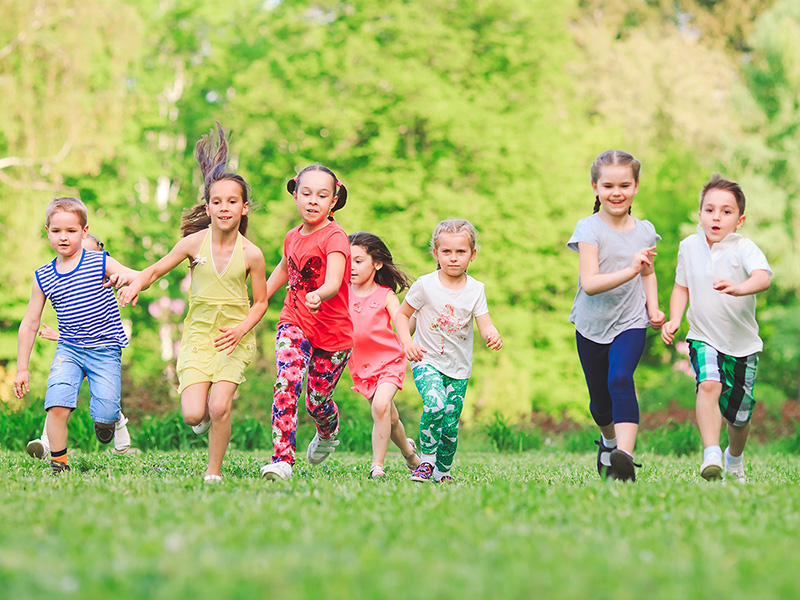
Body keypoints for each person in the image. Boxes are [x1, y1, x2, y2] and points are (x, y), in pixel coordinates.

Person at [119, 123, 268, 483]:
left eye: (232, 202)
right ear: (207, 206)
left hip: (233, 338)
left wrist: (240, 330)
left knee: (219, 407)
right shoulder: (192, 244)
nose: (224, 208)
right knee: (192, 415)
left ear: (244, 208)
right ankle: (206, 423)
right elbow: (155, 269)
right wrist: (137, 282)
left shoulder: (252, 254)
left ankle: (212, 472)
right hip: (198, 337)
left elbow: (261, 302)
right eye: (217, 202)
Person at [661, 174, 771, 483]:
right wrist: (674, 318)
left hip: (742, 344)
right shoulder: (688, 246)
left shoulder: (744, 248)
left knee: (739, 416)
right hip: (702, 335)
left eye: (726, 211)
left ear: (740, 220)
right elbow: (681, 287)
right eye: (709, 210)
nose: (716, 217)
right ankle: (711, 453)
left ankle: (733, 458)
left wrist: (739, 288)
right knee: (708, 384)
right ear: (700, 214)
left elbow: (763, 277)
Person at [14, 198, 136, 474]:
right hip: (68, 349)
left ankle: (106, 421)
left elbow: (135, 276)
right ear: (47, 231)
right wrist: (22, 368)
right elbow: (30, 323)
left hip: (105, 350)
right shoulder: (44, 276)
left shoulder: (100, 261)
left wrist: (127, 283)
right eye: (56, 231)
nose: (63, 237)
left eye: (71, 231)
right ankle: (59, 462)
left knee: (105, 411)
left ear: (84, 231)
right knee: (57, 404)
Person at [568, 149, 665, 482]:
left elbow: (648, 274)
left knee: (621, 379)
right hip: (591, 325)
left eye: (624, 185)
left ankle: (624, 455)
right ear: (595, 187)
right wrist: (631, 269)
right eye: (608, 185)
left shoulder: (645, 230)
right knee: (599, 404)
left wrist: (652, 308)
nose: (616, 192)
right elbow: (591, 284)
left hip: (630, 321)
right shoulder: (588, 229)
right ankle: (609, 442)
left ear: (636, 186)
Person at [259, 165, 354, 481]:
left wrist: (320, 294)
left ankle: (328, 429)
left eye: (322, 195)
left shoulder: (335, 236)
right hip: (294, 320)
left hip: (333, 333)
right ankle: (282, 459)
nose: (313, 201)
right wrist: (257, 298)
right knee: (287, 381)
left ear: (333, 201)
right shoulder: (291, 237)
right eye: (307, 194)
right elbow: (285, 271)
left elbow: (334, 280)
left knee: (317, 401)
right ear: (296, 196)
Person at [395, 219, 502, 483]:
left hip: (459, 368)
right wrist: (408, 343)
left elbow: (485, 323)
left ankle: (443, 471)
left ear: (472, 254)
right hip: (426, 359)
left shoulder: (476, 290)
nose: (453, 258)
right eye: (446, 252)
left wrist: (492, 334)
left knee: (450, 425)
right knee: (435, 405)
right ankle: (426, 463)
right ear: (436, 253)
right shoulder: (425, 285)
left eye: (460, 252)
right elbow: (401, 315)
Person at [347, 231, 421, 479]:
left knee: (380, 407)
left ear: (376, 264)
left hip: (390, 361)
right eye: (348, 261)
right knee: (389, 417)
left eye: (358, 261)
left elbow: (402, 322)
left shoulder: (385, 295)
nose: (352, 267)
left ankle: (377, 466)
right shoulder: (341, 293)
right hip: (361, 366)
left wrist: (408, 338)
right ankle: (410, 454)